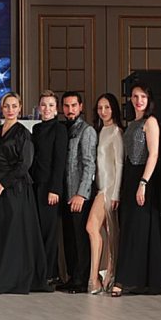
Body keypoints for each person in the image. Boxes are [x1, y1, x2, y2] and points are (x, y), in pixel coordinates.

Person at [0, 93, 47, 294]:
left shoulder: (23, 133)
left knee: (13, 234)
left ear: (20, 108)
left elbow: (24, 164)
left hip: (16, 188)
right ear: (1, 108)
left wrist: (3, 184)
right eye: (6, 106)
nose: (10, 110)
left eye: (14, 106)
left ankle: (13, 280)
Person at [114, 82, 161, 296]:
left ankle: (125, 280)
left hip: (143, 177)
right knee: (129, 228)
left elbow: (154, 154)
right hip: (130, 176)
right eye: (135, 96)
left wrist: (143, 183)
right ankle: (133, 279)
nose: (139, 100)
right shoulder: (132, 123)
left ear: (148, 99)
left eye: (143, 96)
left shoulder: (150, 122)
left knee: (139, 229)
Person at [85, 93, 124, 294]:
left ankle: (97, 278)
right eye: (100, 108)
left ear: (114, 108)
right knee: (106, 233)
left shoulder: (116, 132)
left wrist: (115, 193)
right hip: (100, 187)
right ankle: (104, 276)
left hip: (109, 189)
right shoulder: (100, 131)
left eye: (107, 107)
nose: (103, 111)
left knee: (93, 227)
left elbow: (120, 164)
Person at [60, 91, 97, 294]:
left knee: (80, 239)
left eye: (73, 105)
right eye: (66, 106)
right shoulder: (64, 129)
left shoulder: (87, 130)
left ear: (81, 107)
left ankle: (82, 280)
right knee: (69, 238)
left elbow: (89, 165)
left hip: (78, 195)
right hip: (65, 194)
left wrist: (82, 194)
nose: (70, 110)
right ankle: (73, 277)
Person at [30, 90, 68, 288]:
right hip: (35, 185)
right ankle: (38, 273)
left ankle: (50, 274)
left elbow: (60, 162)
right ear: (39, 107)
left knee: (49, 232)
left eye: (51, 105)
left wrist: (55, 189)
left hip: (50, 188)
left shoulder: (59, 129)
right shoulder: (36, 129)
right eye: (43, 105)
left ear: (57, 109)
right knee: (37, 231)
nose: (46, 109)